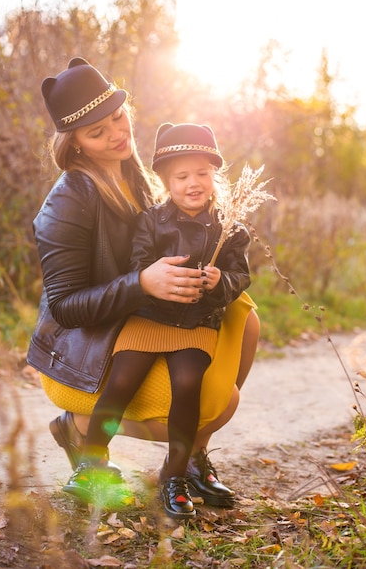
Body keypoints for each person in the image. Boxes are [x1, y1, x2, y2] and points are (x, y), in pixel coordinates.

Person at [26, 57, 260, 511]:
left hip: (137, 314)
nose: (117, 134)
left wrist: (214, 274)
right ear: (73, 145)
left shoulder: (137, 173)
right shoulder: (67, 201)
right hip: (83, 346)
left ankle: (189, 457)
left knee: (243, 314)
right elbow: (65, 308)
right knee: (217, 401)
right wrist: (143, 283)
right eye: (97, 132)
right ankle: (77, 426)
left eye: (118, 118)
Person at [62, 122, 251, 519]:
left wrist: (220, 283)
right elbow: (136, 266)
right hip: (148, 317)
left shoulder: (228, 228)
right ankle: (90, 462)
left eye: (203, 173)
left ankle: (175, 476)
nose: (193, 183)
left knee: (188, 384)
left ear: (215, 175)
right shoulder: (151, 220)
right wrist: (152, 276)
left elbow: (241, 275)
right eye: (182, 176)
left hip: (197, 322)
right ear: (166, 180)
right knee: (122, 380)